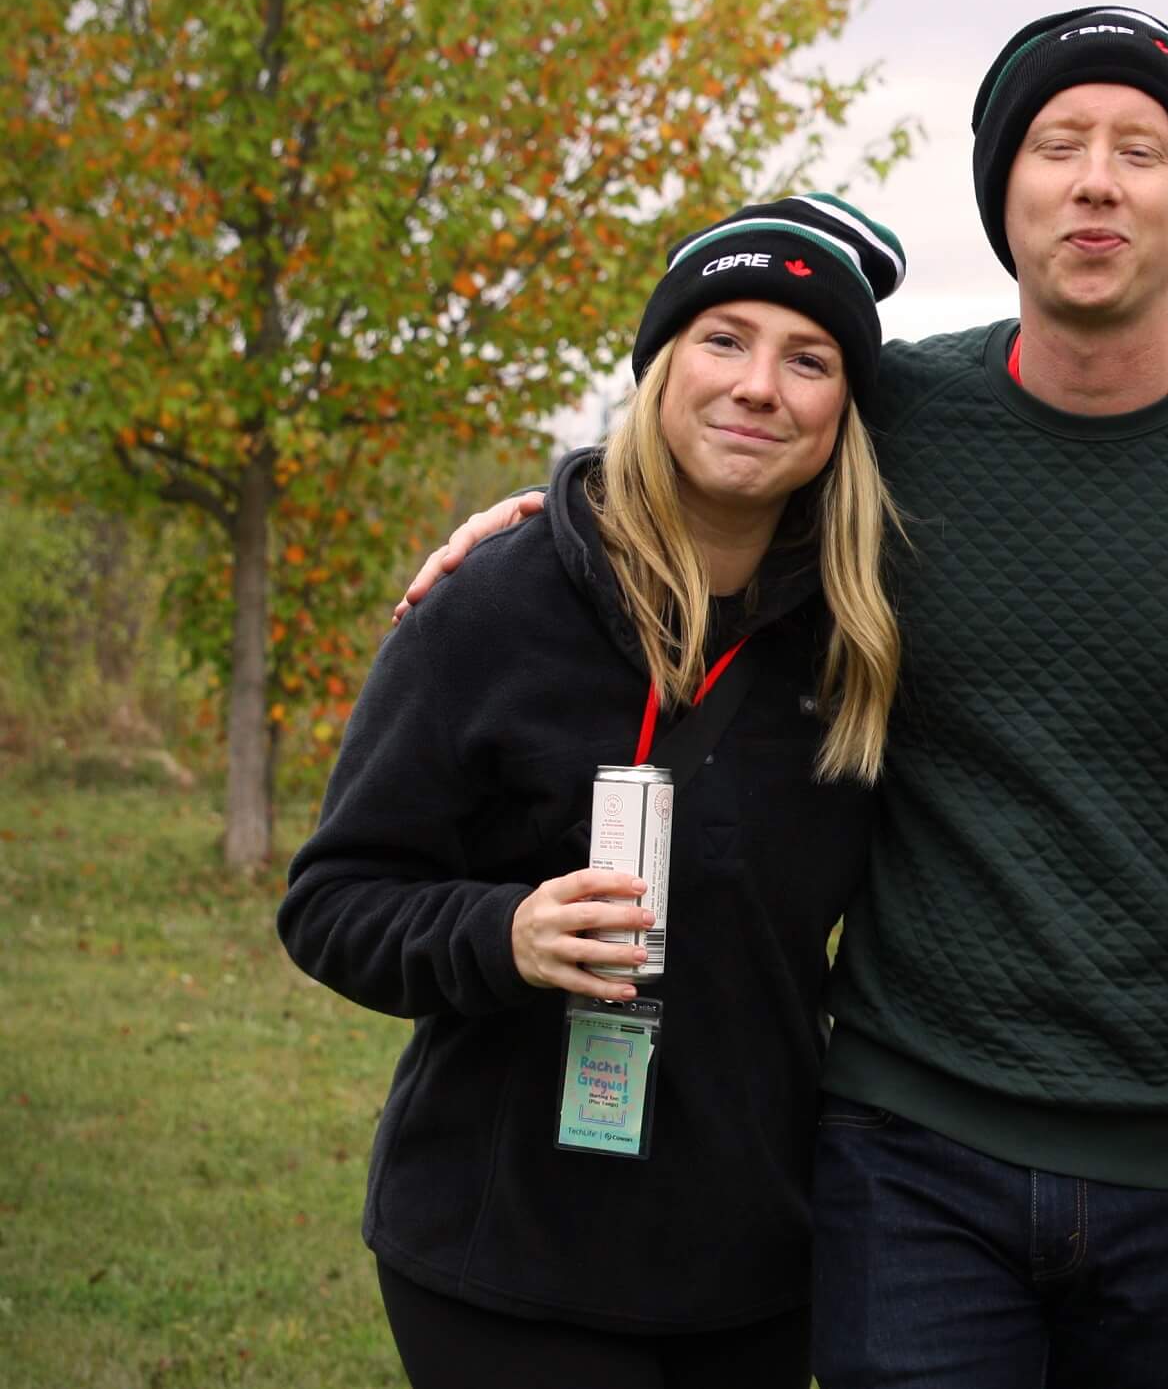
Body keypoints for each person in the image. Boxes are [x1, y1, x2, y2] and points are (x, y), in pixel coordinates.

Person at [394, 6, 1168, 1388]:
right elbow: (712, 448)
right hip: (910, 1151)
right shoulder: (895, 421)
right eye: (1058, 144)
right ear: (1006, 196)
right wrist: (548, 516)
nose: (1096, 179)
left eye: (1142, 150)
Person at [279, 193, 908, 1387]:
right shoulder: (496, 602)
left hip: (753, 1266)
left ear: (847, 413)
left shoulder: (865, 640)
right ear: (662, 366)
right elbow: (331, 901)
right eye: (723, 338)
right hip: (504, 1250)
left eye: (809, 357)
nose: (758, 385)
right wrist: (500, 931)